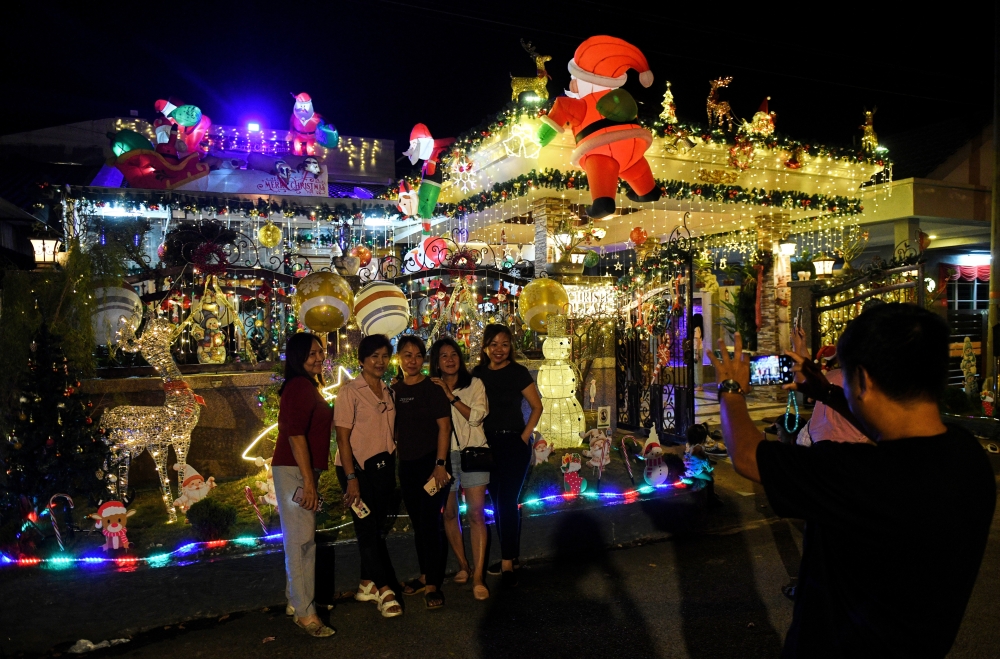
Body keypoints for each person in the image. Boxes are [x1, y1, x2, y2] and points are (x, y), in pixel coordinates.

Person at [708, 303, 995, 657]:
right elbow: (888, 431)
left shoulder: (856, 475)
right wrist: (826, 392)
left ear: (864, 379)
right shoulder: (967, 456)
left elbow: (747, 455)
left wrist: (731, 387)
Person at [333, 334, 402, 618]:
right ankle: (385, 592)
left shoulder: (388, 391)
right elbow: (342, 438)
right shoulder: (350, 392)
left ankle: (365, 585)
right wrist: (351, 478)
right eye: (374, 356)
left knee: (376, 527)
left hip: (382, 467)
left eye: (385, 356)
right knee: (366, 528)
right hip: (356, 470)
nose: (380, 362)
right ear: (361, 360)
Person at [272, 333, 336, 638]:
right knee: (300, 542)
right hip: (295, 470)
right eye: (311, 353)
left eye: (320, 352)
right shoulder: (299, 386)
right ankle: (305, 613)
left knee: (302, 539)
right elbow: (295, 436)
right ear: (297, 356)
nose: (318, 357)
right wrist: (309, 482)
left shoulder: (307, 385)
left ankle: (295, 601)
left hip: (299, 471)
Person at [473, 324, 543, 586]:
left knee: (506, 500)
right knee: (496, 500)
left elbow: (537, 406)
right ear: (485, 347)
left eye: (504, 344)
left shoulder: (518, 372)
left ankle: (507, 561)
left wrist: (524, 437)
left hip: (514, 443)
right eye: (494, 344)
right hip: (487, 445)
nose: (499, 349)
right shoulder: (478, 374)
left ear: (510, 347)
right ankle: (508, 556)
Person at [430, 337, 491, 601]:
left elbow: (477, 417)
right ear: (436, 362)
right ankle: (463, 565)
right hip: (444, 457)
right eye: (444, 356)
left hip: (474, 454)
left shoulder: (474, 384)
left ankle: (478, 576)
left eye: (454, 354)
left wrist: (450, 397)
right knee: (449, 512)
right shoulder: (430, 387)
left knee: (477, 514)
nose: (450, 359)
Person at [393, 335, 452, 609]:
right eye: (407, 355)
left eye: (417, 355)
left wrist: (440, 466)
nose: (413, 360)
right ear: (399, 358)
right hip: (408, 467)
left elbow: (444, 427)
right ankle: (426, 574)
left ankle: (433, 585)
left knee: (429, 523)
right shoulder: (394, 390)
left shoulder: (432, 388)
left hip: (433, 466)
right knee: (419, 525)